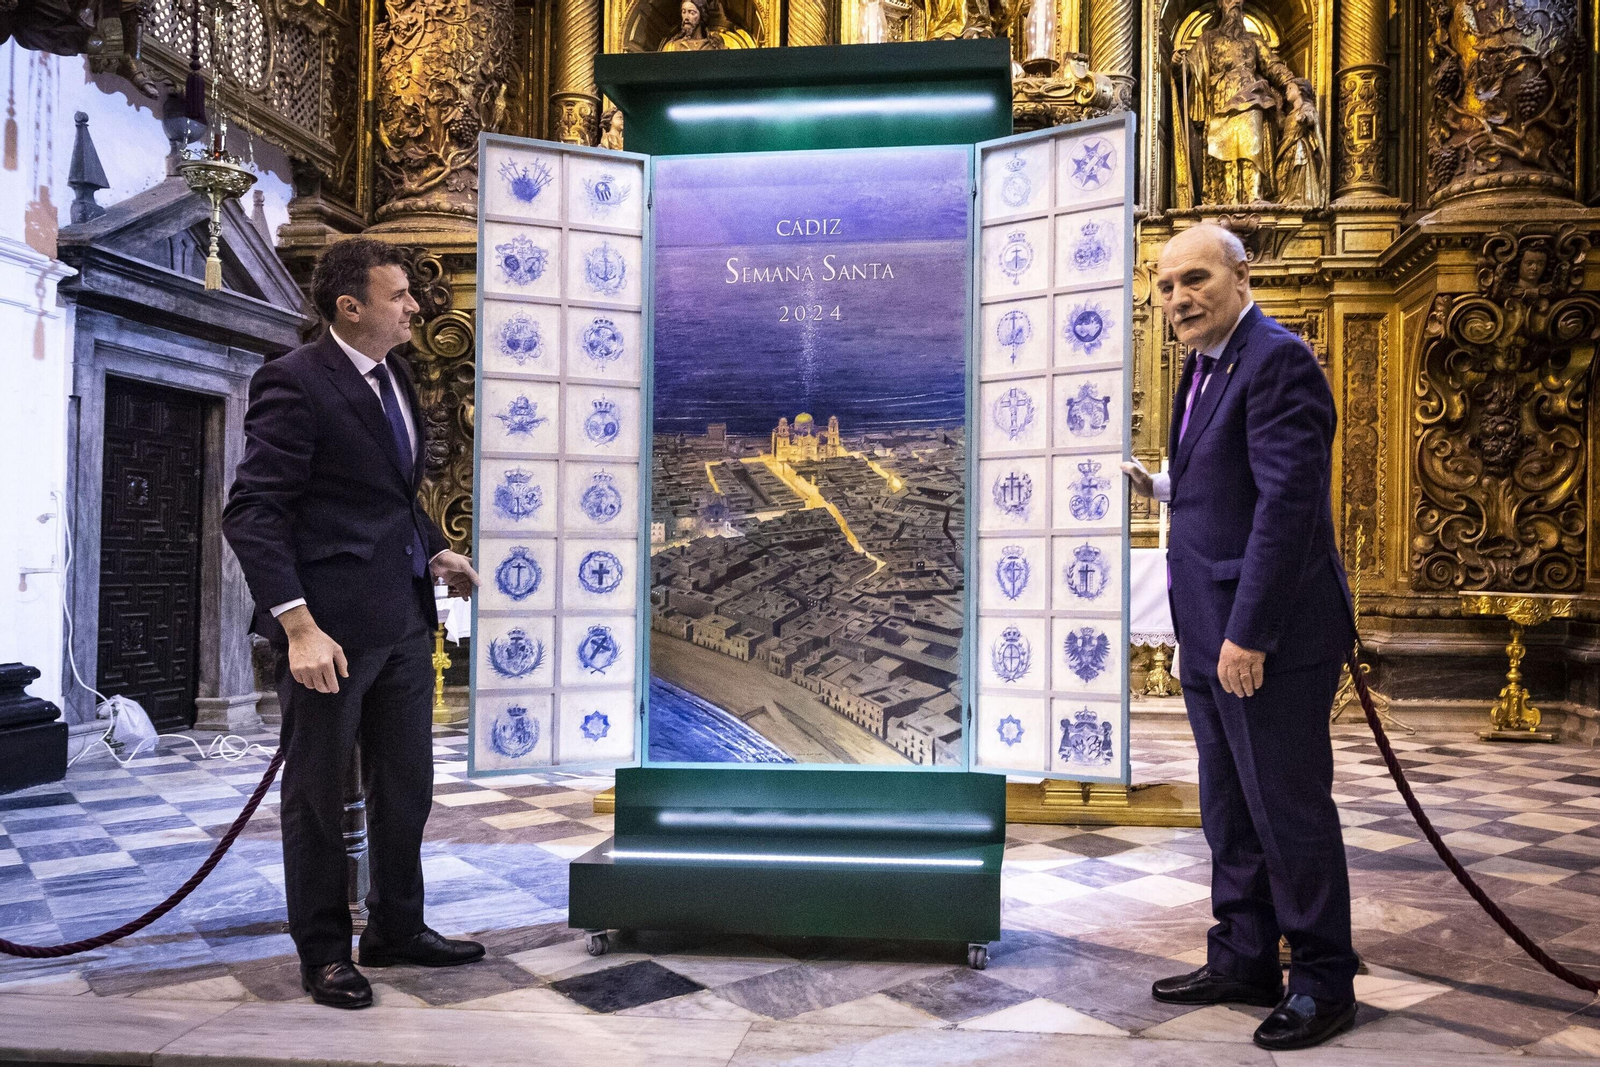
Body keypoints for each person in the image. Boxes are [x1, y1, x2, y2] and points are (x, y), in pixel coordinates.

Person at [222, 238, 483, 1010]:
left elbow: (389, 499)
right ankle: (326, 952)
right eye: (399, 295)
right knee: (316, 797)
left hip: (402, 619)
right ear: (351, 306)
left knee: (407, 787)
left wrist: (436, 549)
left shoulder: (394, 374)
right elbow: (253, 511)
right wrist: (297, 625)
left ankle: (398, 928)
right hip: (326, 634)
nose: (413, 307)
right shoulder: (294, 382)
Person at [1122, 224, 1359, 1051]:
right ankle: (1245, 954)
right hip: (1208, 626)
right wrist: (1155, 483)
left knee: (1286, 807)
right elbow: (1222, 481)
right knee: (1229, 805)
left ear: (1239, 275)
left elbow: (1287, 509)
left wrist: (1250, 633)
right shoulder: (1205, 365)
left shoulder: (1276, 357)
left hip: (1270, 637)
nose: (1178, 298)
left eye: (1195, 280)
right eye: (1164, 286)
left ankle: (1324, 978)